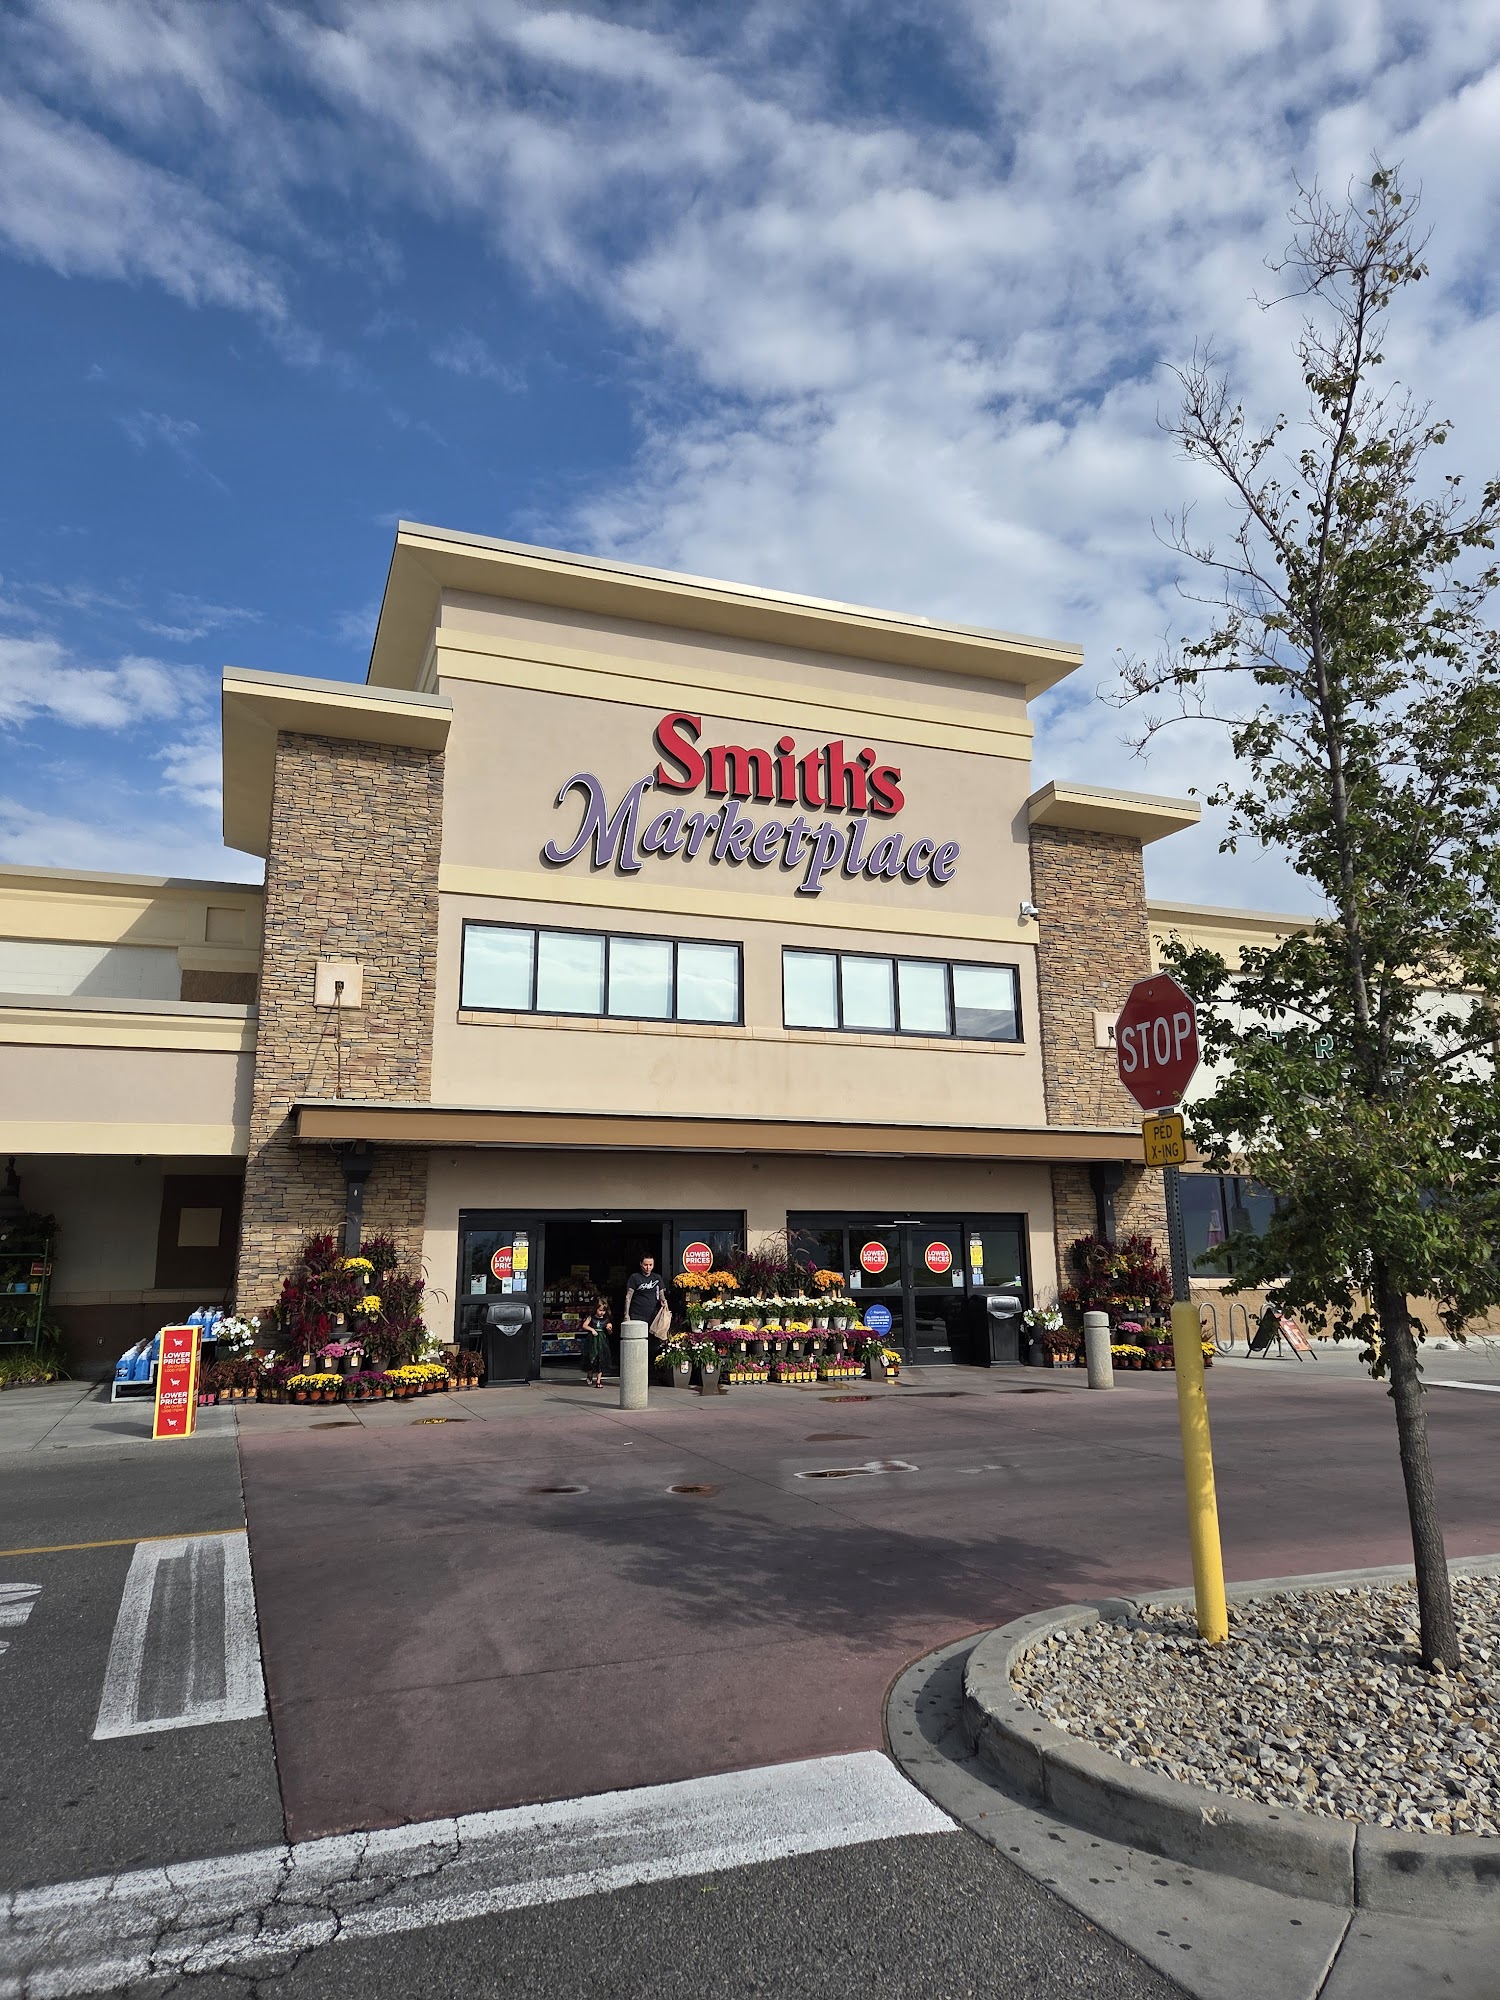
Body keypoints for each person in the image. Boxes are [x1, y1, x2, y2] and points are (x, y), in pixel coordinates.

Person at [623, 1253, 667, 1333]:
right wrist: (626, 1314)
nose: (648, 1267)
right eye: (645, 1265)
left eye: (650, 1265)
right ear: (641, 1264)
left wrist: (664, 1304)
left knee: (653, 1338)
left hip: (653, 1315)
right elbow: (628, 1297)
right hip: (637, 1314)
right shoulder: (635, 1277)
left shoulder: (657, 1278)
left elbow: (662, 1296)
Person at [581, 1293, 613, 1388]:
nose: (601, 1313)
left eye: (604, 1311)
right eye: (600, 1310)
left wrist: (609, 1329)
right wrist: (592, 1329)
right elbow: (584, 1325)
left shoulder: (606, 1319)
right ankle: (590, 1373)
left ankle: (598, 1381)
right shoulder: (591, 1317)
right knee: (592, 1357)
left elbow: (610, 1332)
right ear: (596, 1309)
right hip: (593, 1340)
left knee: (601, 1359)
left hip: (602, 1341)